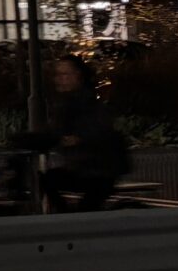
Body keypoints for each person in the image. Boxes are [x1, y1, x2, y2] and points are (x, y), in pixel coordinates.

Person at [16, 53, 129, 212]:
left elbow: (96, 129)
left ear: (78, 76)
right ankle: (65, 216)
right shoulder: (65, 101)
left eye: (65, 74)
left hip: (100, 170)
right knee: (47, 179)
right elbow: (53, 130)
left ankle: (66, 218)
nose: (59, 79)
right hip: (83, 168)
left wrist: (77, 138)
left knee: (54, 184)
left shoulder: (86, 101)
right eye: (57, 75)